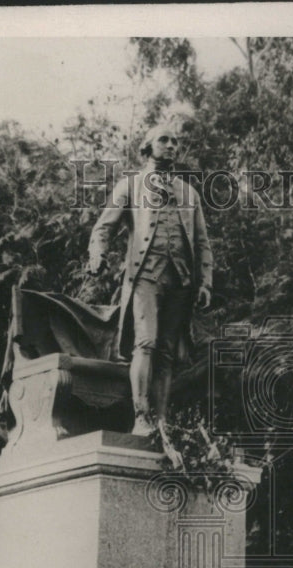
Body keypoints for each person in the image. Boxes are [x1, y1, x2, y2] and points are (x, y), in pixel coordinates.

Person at [87, 123, 213, 441]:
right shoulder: (130, 186)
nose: (172, 145)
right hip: (145, 275)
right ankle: (141, 418)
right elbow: (104, 228)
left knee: (167, 353)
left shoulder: (190, 193)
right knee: (146, 343)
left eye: (176, 141)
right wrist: (97, 254)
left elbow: (202, 243)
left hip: (181, 281)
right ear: (147, 147)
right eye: (164, 140)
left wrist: (206, 282)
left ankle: (161, 422)